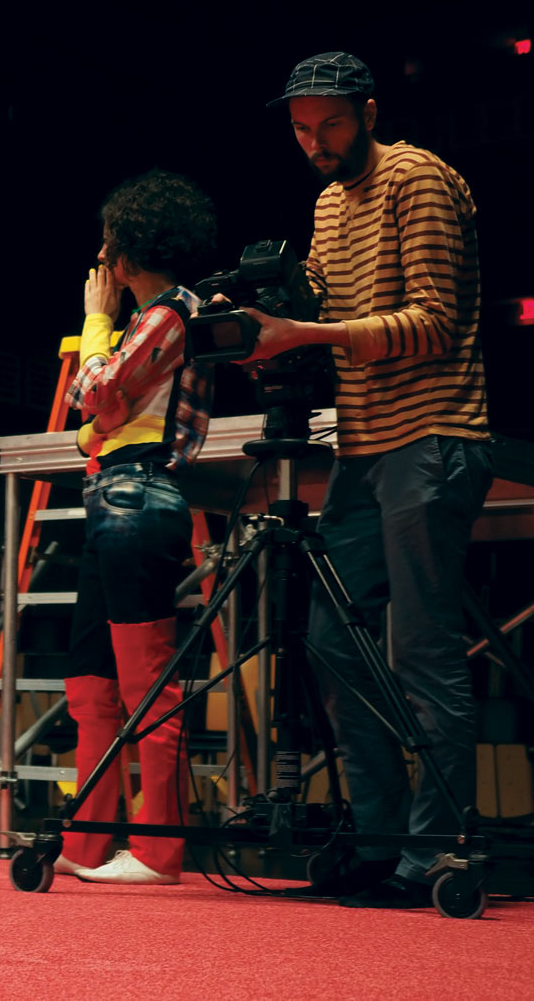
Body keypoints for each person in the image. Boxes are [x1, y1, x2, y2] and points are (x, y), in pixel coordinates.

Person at [242, 52, 491, 909]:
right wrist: (260, 324)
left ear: (369, 111)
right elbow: (319, 311)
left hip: (433, 433)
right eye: (302, 129)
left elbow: (431, 323)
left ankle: (435, 851)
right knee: (333, 642)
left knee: (421, 649)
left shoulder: (415, 179)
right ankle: (383, 841)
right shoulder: (325, 202)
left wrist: (302, 333)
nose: (316, 143)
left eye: (332, 124)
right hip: (361, 445)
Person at [56, 170, 217, 885]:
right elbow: (100, 412)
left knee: (146, 681)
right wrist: (103, 414)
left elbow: (93, 394)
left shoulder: (170, 312)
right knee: (91, 684)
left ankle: (158, 849)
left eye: (107, 247)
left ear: (126, 253)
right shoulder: (152, 320)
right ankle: (87, 844)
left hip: (140, 498)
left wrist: (95, 320)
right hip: (114, 498)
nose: (100, 260)